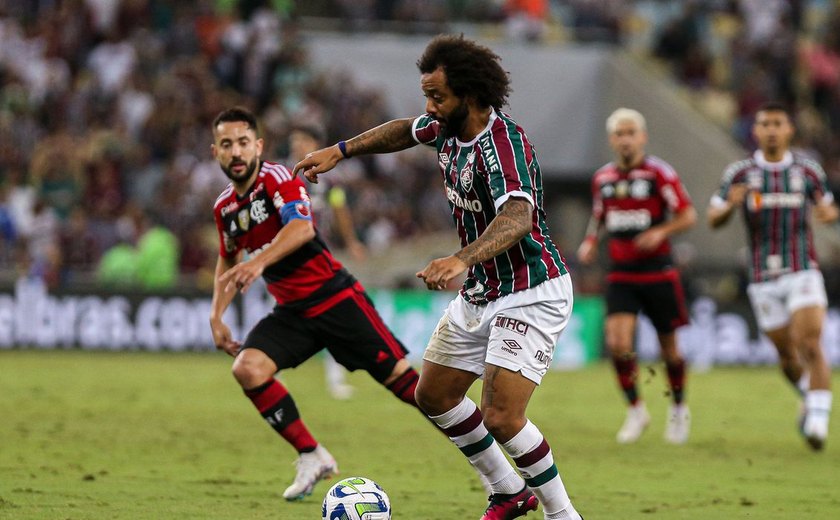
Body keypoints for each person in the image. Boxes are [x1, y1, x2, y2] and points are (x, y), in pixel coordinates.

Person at [295, 35, 582, 520]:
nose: (429, 106)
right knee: (433, 394)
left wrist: (463, 258)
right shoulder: (444, 126)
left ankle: (563, 515)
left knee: (503, 415)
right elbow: (406, 130)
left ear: (469, 95)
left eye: (438, 97)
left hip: (530, 289)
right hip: (481, 291)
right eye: (427, 94)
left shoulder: (503, 143)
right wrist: (342, 150)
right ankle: (508, 491)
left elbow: (517, 217)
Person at [207, 107, 428, 501]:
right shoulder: (225, 208)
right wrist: (216, 314)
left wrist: (257, 262)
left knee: (410, 387)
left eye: (243, 142)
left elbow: (301, 228)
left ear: (257, 146)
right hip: (293, 312)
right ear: (216, 153)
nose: (236, 152)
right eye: (227, 145)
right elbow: (228, 256)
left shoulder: (279, 178)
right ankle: (312, 455)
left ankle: (483, 455)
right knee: (249, 369)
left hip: (334, 298)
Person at [707, 102, 838, 450]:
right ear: (756, 131)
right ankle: (809, 397)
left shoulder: (808, 171)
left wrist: (828, 213)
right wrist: (730, 206)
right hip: (763, 276)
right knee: (786, 355)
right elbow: (713, 216)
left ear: (789, 129)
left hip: (802, 269)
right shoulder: (740, 173)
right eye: (765, 124)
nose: (771, 130)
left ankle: (818, 422)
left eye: (778, 123)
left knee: (810, 342)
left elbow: (828, 206)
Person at [575, 108, 696, 445]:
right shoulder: (603, 178)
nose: (626, 139)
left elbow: (688, 215)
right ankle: (636, 410)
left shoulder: (659, 173)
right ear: (612, 140)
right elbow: (599, 216)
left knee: (669, 349)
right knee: (617, 344)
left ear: (642, 137)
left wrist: (661, 232)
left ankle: (678, 409)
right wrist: (589, 242)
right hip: (622, 273)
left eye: (631, 133)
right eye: (619, 134)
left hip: (658, 272)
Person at [287, 123, 366, 400]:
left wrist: (352, 241)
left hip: (318, 253)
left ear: (316, 144)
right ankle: (268, 370)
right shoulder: (284, 175)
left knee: (331, 311)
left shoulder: (331, 180)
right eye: (294, 140)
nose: (297, 145)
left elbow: (339, 208)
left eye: (303, 140)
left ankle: (334, 379)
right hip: (288, 256)